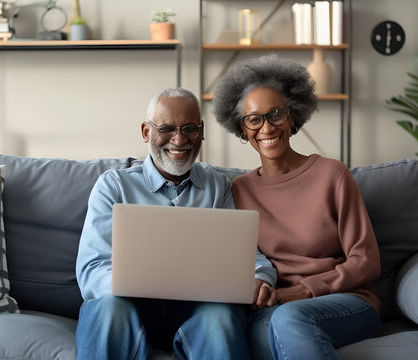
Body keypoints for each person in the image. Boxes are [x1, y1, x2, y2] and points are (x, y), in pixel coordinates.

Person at [75, 87, 276, 360]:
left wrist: (260, 278)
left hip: (196, 311)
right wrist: (135, 283)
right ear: (147, 132)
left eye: (190, 128)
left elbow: (245, 254)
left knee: (221, 316)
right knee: (108, 308)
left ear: (202, 131)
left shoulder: (218, 186)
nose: (179, 139)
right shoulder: (113, 186)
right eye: (167, 128)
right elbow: (91, 269)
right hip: (127, 306)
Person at [212, 54, 381, 360]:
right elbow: (240, 261)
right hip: (273, 305)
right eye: (254, 119)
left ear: (292, 117)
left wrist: (304, 289)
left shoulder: (333, 174)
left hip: (345, 301)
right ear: (243, 128)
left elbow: (366, 260)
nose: (266, 127)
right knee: (258, 334)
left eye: (276, 114)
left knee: (289, 320)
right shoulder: (237, 191)